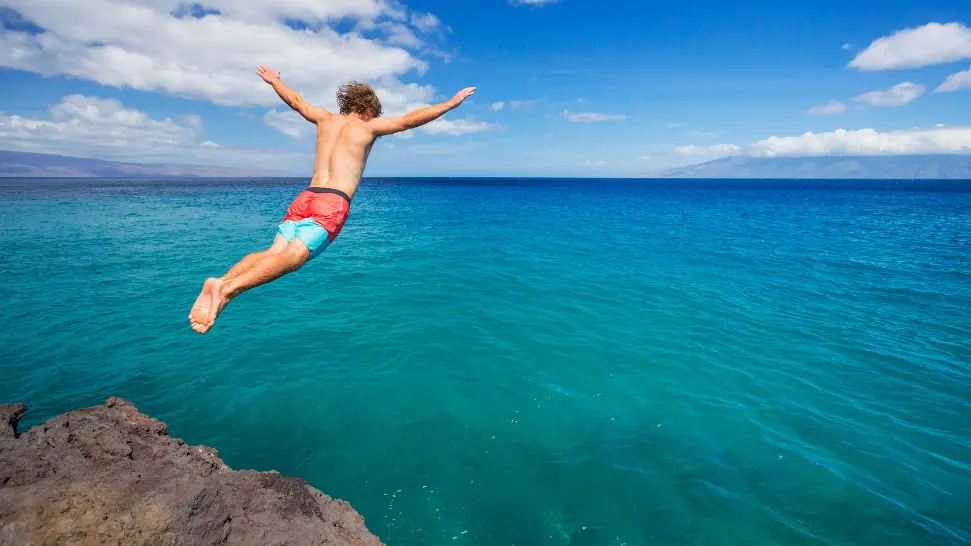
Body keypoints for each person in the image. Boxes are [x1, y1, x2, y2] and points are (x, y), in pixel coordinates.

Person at [188, 65, 476, 334]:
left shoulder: (324, 118)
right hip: (332, 202)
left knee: (272, 252)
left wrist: (275, 81)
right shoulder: (368, 127)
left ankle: (221, 283)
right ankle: (228, 289)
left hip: (305, 197)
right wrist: (451, 103)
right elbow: (409, 120)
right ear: (366, 110)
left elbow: (296, 101)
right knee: (293, 260)